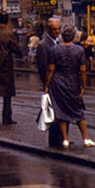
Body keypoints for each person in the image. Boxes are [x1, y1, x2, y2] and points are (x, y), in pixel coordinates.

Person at [45, 22, 94, 149]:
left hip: (58, 82)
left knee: (61, 110)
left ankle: (65, 139)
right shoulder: (79, 50)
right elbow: (82, 70)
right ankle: (86, 138)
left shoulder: (54, 49)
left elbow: (51, 69)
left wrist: (47, 84)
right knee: (78, 110)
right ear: (73, 36)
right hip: (73, 82)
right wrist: (83, 86)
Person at [36, 15, 62, 147]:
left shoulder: (59, 42)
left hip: (60, 84)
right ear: (47, 29)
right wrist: (47, 84)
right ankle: (54, 140)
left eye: (59, 29)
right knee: (52, 113)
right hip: (51, 84)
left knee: (60, 112)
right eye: (54, 29)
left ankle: (62, 137)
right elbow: (42, 67)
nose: (57, 32)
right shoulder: (43, 45)